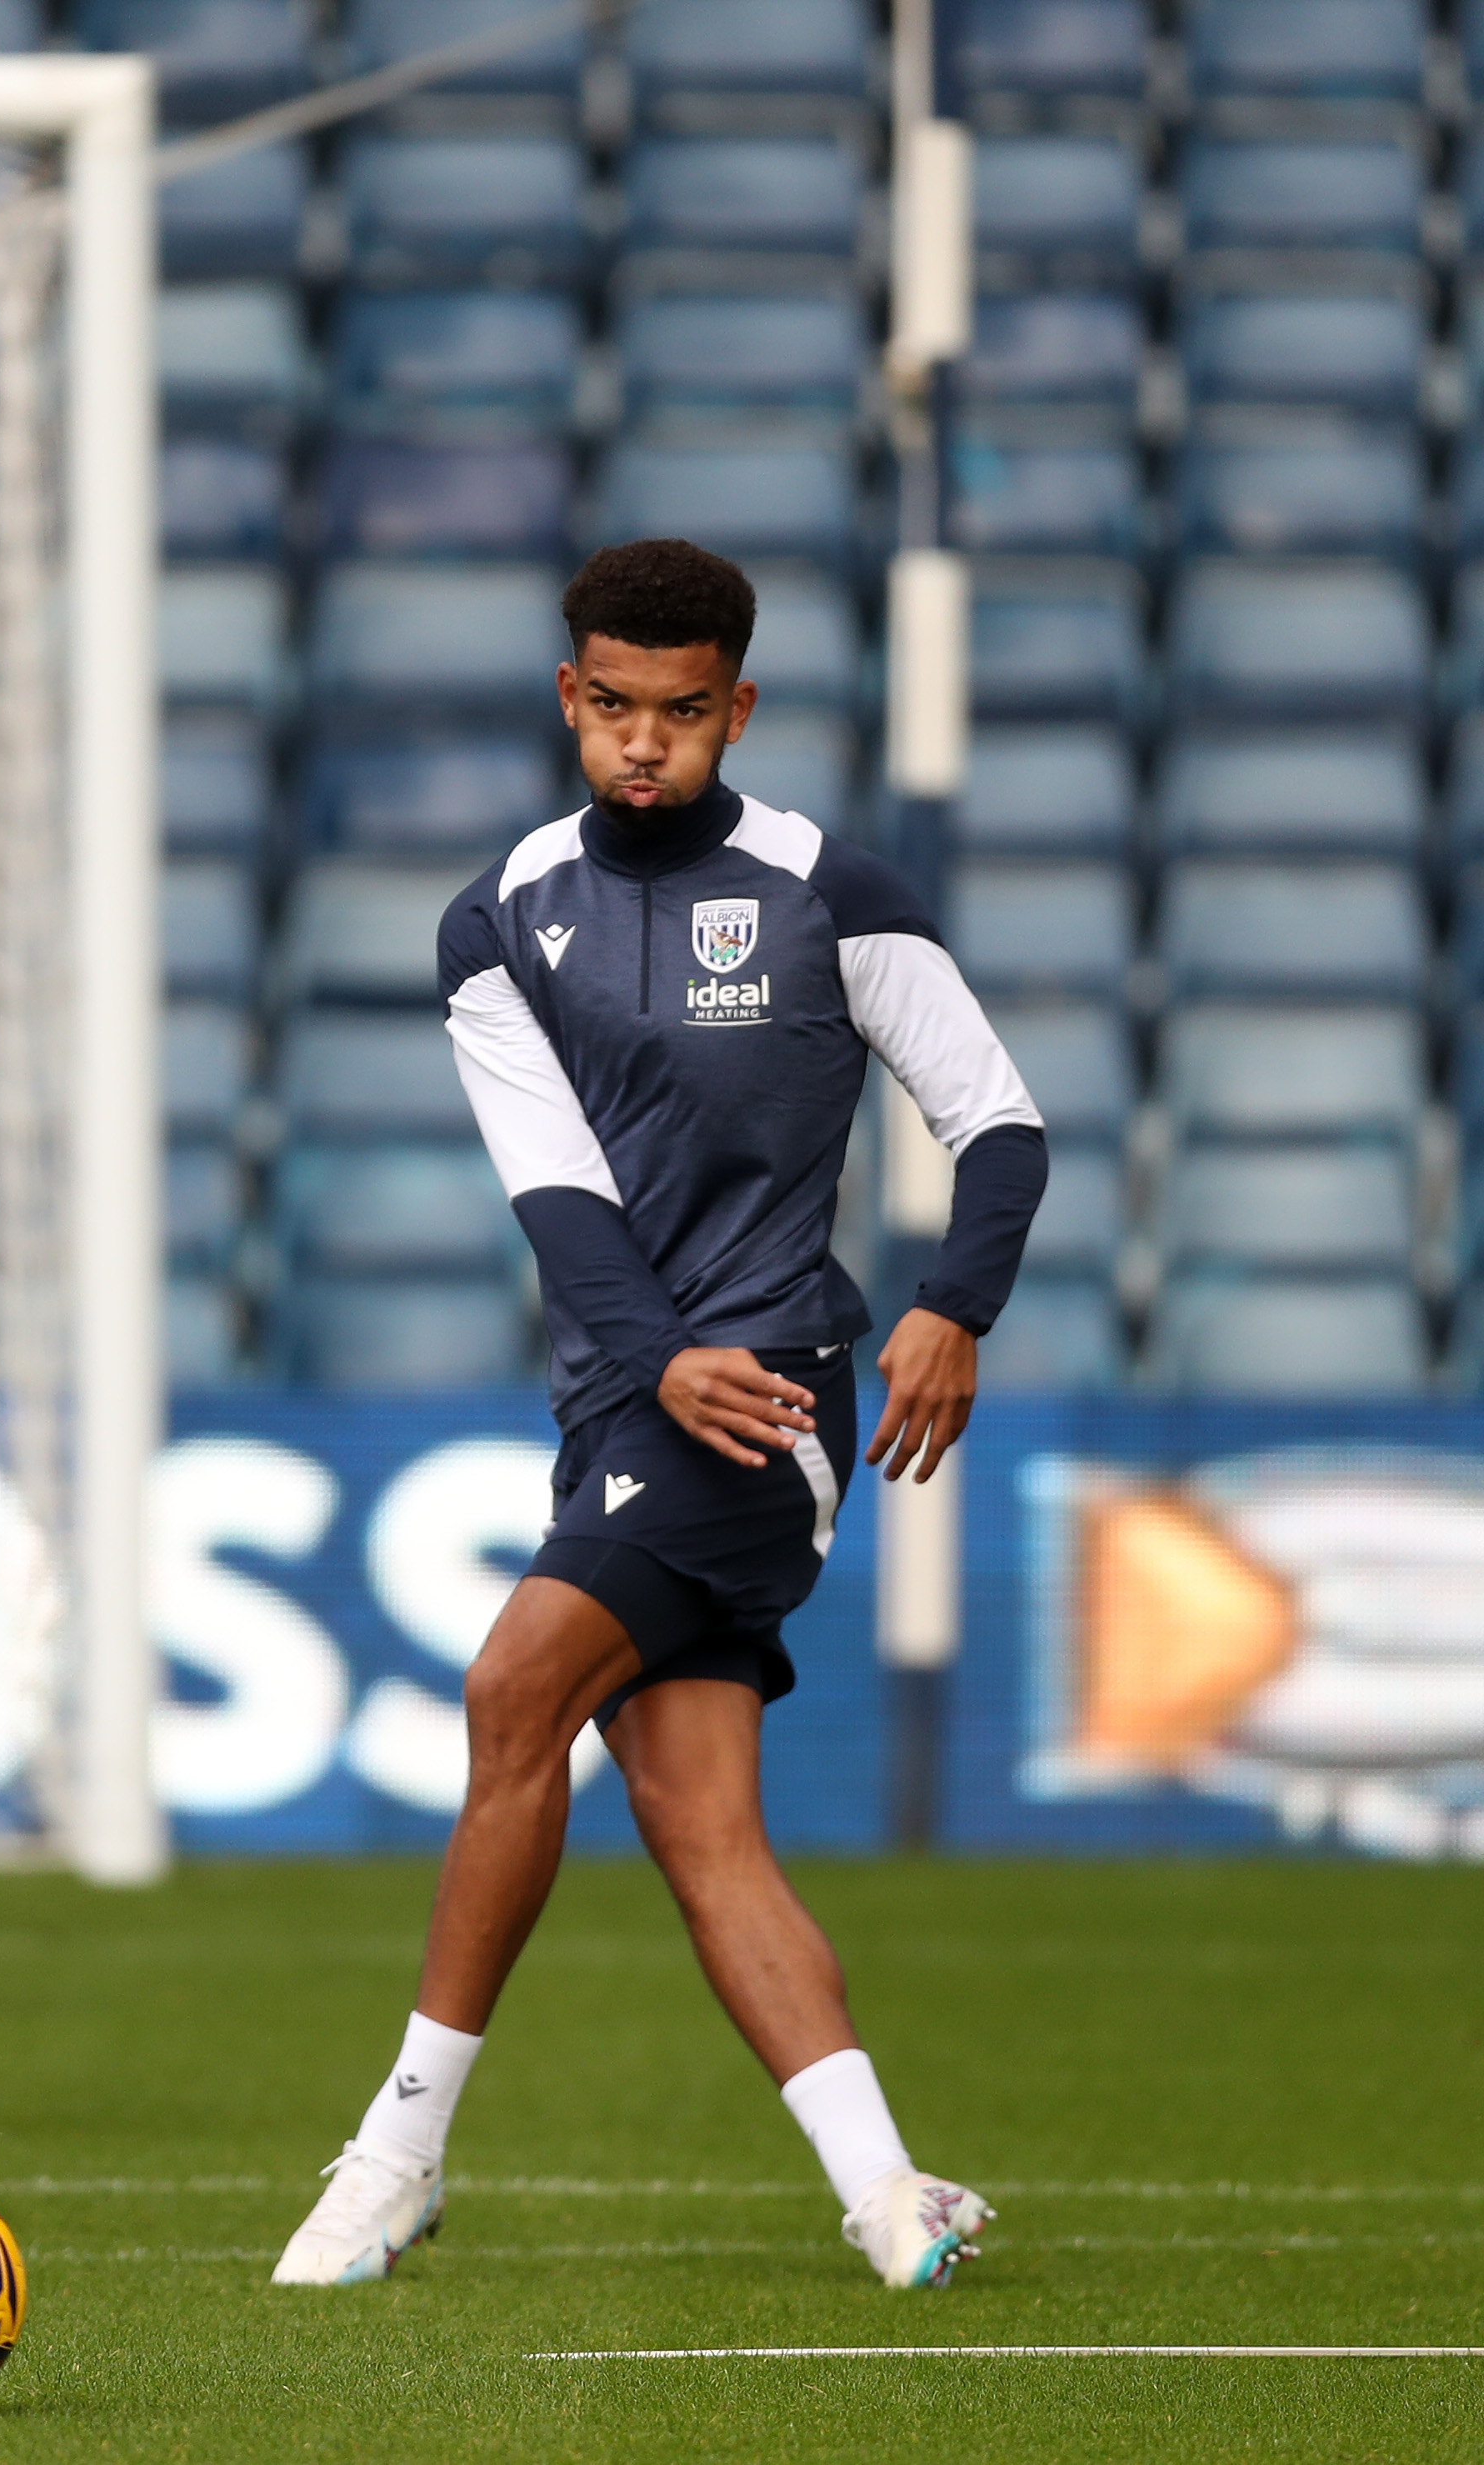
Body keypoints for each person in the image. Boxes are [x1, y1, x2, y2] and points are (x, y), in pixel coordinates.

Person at [270, 540, 1048, 2289]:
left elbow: (996, 1125)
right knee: (700, 1824)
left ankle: (393, 2152)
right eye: (611, 708)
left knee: (510, 1690)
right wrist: (654, 1358)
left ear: (736, 709)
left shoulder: (828, 892)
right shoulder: (498, 921)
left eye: (680, 714)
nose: (642, 745)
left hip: (766, 1400)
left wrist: (948, 1307)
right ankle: (886, 2192)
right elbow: (556, 1200)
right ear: (568, 697)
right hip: (631, 1398)